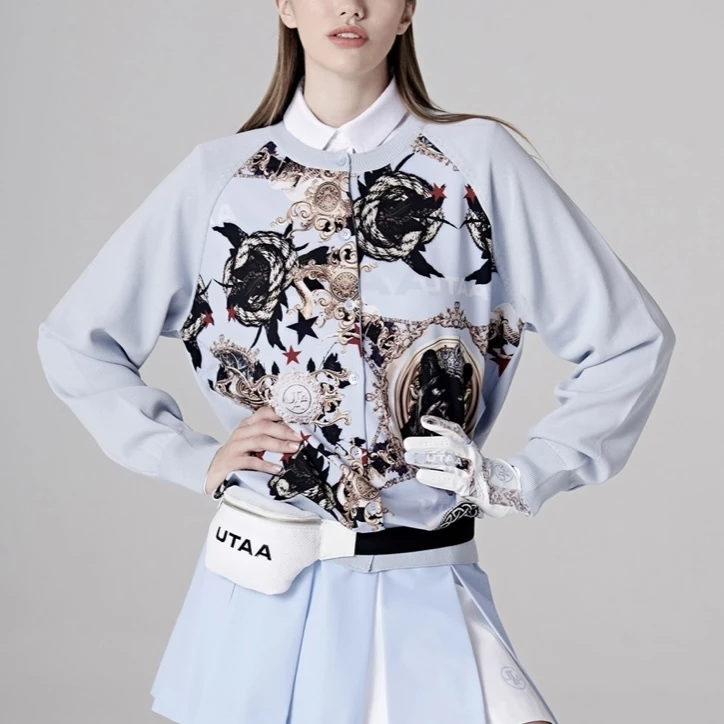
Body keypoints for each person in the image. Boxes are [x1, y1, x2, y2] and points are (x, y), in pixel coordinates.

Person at [36, 1, 676, 722]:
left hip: (423, 588)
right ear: (285, 4)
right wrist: (191, 458)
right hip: (256, 606)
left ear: (407, 10)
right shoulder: (216, 178)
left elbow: (631, 339)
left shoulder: (478, 163)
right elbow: (76, 342)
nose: (350, 6)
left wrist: (526, 475)